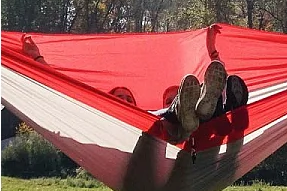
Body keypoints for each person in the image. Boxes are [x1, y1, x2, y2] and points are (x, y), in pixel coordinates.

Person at [21, 34, 248, 143]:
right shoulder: (123, 118)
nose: (125, 101)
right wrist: (37, 59)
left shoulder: (152, 115)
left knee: (207, 104)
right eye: (121, 97)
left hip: (191, 134)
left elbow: (214, 76)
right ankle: (219, 111)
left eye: (127, 99)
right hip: (169, 133)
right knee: (183, 117)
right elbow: (66, 92)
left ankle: (219, 108)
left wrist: (212, 51)